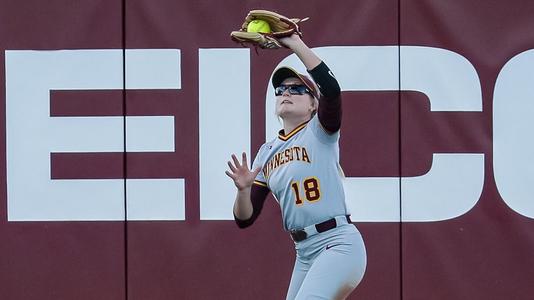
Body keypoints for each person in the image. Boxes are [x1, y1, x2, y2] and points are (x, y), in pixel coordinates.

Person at [225, 33, 367, 300]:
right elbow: (245, 218)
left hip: (337, 243)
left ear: (313, 104)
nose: (286, 92)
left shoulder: (319, 131)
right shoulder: (266, 153)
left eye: (297, 89)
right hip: (304, 252)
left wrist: (295, 44)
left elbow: (332, 91)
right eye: (281, 90)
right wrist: (243, 190)